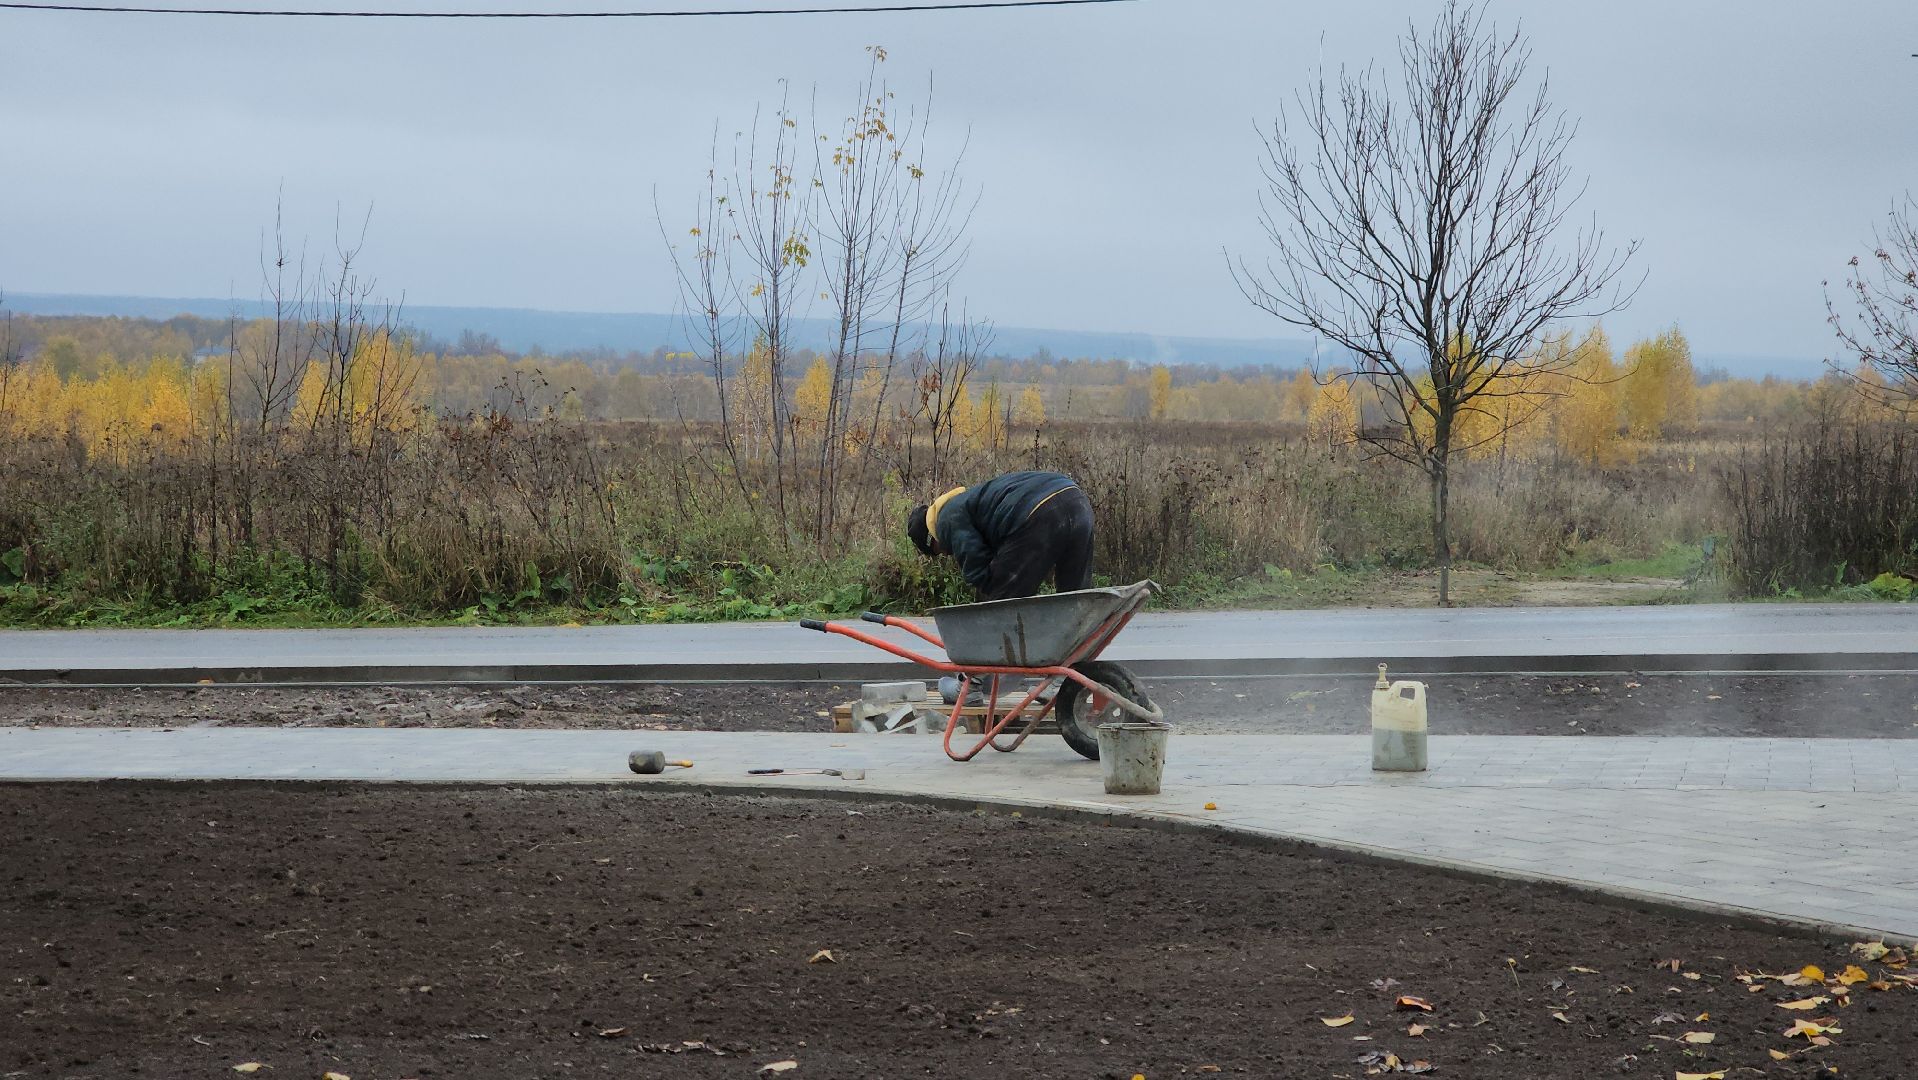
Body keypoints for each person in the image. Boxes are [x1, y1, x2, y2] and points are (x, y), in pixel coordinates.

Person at [906, 470, 1094, 602]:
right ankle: (1073, 648)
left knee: (1004, 600)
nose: (947, 554)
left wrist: (989, 594)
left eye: (938, 552)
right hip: (1077, 501)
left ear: (932, 540)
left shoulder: (946, 518)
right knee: (1074, 597)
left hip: (1038, 512)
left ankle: (1008, 653)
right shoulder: (970, 500)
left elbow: (976, 563)